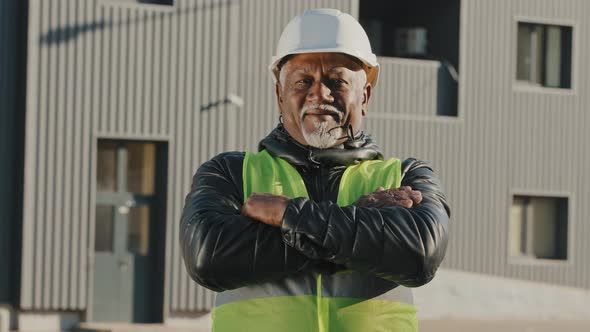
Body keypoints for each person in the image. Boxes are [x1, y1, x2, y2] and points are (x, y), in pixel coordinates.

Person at [180, 8, 450, 332]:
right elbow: (209, 256)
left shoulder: (406, 177)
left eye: (337, 81)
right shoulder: (229, 173)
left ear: (364, 95)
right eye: (303, 80)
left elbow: (420, 254)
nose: (320, 93)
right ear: (280, 95)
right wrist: (355, 219)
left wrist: (289, 215)